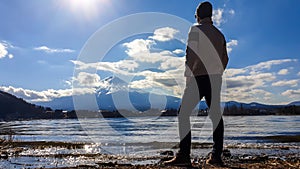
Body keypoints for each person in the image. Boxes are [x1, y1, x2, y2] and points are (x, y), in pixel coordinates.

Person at [164, 1, 229, 167]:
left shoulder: (195, 30)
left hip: (198, 76)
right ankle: (216, 156)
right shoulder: (220, 35)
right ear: (211, 15)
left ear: (198, 15)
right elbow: (225, 59)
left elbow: (191, 56)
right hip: (215, 78)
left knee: (183, 113)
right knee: (215, 116)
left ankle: (184, 155)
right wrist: (217, 72)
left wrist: (189, 77)